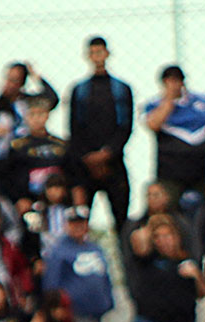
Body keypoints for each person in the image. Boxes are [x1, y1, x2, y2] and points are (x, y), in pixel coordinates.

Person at [67, 37, 134, 225]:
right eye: (93, 52)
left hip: (113, 162)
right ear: (88, 56)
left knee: (121, 219)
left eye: (100, 52)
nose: (97, 56)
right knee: (80, 218)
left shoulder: (121, 89)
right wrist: (88, 158)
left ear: (107, 54)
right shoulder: (79, 90)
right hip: (85, 165)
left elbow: (126, 126)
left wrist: (107, 153)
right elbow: (74, 128)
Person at [143, 65, 205, 214]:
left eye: (177, 80)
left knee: (199, 213)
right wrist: (168, 101)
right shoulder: (154, 104)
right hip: (170, 173)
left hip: (199, 170)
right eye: (169, 81)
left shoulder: (201, 101)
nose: (174, 85)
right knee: (168, 214)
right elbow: (153, 124)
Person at [0, 61, 59, 200]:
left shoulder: (28, 103)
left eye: (15, 80)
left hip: (24, 165)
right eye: (7, 78)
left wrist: (35, 76)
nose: (9, 84)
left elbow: (52, 98)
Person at [41, 206, 114, 322]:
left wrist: (108, 301)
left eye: (81, 223)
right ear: (67, 225)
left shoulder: (95, 248)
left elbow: (104, 276)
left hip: (96, 313)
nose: (78, 227)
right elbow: (51, 285)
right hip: (74, 315)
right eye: (74, 224)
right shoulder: (59, 251)